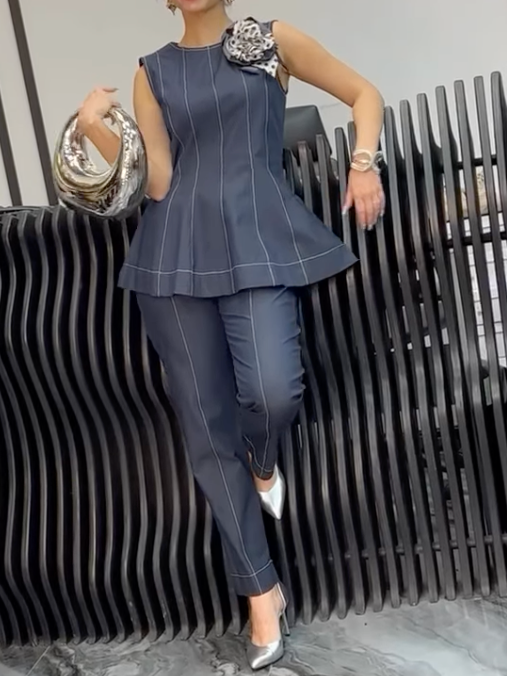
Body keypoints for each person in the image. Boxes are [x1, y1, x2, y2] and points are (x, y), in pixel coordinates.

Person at [77, 0, 384, 669]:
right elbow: (158, 180)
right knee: (206, 430)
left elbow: (364, 94)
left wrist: (364, 161)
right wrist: (95, 127)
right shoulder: (152, 71)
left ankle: (263, 460)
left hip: (259, 240)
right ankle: (260, 592)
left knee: (274, 391)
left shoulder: (272, 40)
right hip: (173, 256)